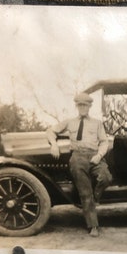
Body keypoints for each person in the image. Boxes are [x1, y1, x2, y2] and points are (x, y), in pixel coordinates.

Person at [46, 92, 112, 237]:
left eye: (85, 105)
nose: (82, 108)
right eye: (80, 105)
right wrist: (54, 145)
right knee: (85, 191)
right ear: (77, 106)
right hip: (77, 157)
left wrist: (99, 155)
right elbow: (50, 131)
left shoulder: (97, 123)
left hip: (95, 156)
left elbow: (104, 142)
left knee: (106, 177)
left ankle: (94, 199)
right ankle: (93, 225)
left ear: (89, 106)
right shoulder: (70, 122)